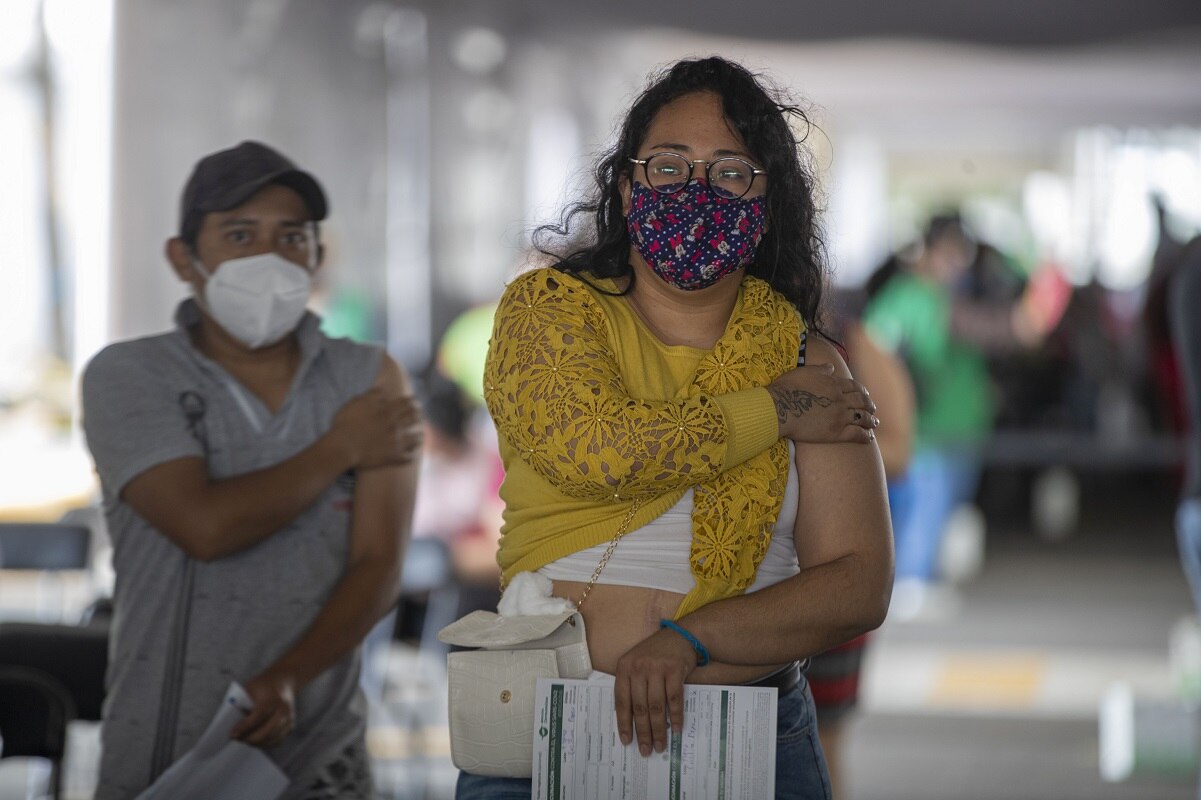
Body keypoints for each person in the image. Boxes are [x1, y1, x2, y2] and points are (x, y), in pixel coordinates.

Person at [467, 57, 894, 800]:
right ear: (629, 185)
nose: (695, 193)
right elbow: (597, 451)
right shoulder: (549, 312)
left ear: (766, 201)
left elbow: (858, 585)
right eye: (668, 168)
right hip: (549, 726)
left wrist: (691, 641)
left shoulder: (803, 355)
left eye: (730, 173)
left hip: (749, 733)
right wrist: (780, 410)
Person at [80, 140, 421, 799]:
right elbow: (203, 525)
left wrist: (291, 676)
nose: (270, 257)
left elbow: (379, 563)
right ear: (184, 259)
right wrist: (338, 449)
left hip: (322, 752)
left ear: (316, 256)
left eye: (292, 236)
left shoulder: (366, 377)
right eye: (240, 234)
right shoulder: (131, 376)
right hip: (166, 751)